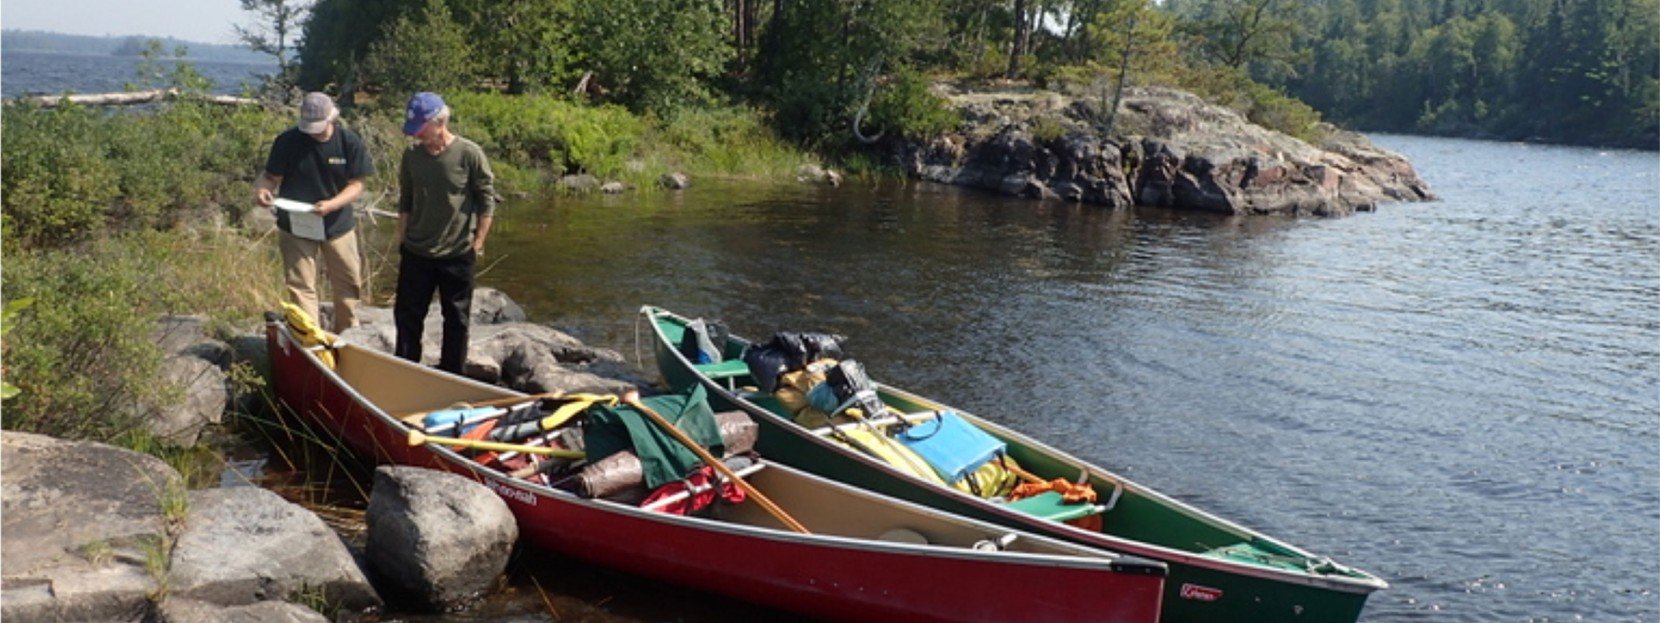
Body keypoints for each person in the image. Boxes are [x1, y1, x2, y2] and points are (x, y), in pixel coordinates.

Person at [393, 92, 497, 374]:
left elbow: (486, 200)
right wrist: (402, 237)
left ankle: (452, 373)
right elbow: (406, 199)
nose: (416, 135)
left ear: (440, 123)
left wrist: (478, 242)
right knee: (407, 316)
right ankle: (404, 370)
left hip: (457, 252)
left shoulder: (469, 154)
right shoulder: (411, 156)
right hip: (416, 250)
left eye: (421, 128)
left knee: (456, 318)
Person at [255, 91, 373, 332]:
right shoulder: (287, 141)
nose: (313, 132)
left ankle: (348, 332)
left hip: (337, 224)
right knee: (300, 284)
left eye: (318, 126)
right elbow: (270, 176)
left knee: (348, 282)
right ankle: (310, 336)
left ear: (332, 118)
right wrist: (263, 190)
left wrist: (332, 204)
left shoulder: (348, 142)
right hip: (296, 224)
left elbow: (357, 185)